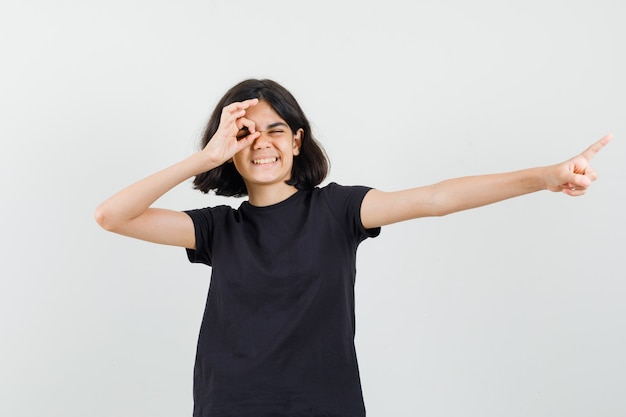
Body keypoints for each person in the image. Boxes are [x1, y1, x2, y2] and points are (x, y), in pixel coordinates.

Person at [94, 78, 612, 417]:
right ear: (231, 150)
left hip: (325, 405)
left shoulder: (338, 211)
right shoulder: (216, 229)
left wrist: (547, 176)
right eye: (246, 134)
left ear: (297, 141)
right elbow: (111, 215)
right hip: (229, 404)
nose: (262, 143)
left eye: (275, 130)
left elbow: (436, 198)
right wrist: (204, 157)